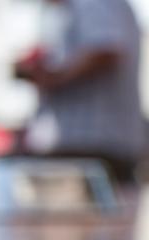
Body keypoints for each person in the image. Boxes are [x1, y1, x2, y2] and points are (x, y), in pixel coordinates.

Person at [17, 0, 143, 182]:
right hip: (85, 150)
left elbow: (105, 50)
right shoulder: (66, 10)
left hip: (92, 150)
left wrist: (55, 78)